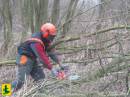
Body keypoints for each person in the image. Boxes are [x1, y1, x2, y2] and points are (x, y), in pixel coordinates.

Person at [11, 23, 63, 92]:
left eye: (53, 36)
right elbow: (42, 58)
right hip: (24, 58)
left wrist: (60, 63)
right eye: (51, 36)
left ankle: (42, 94)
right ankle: (3, 92)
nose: (52, 38)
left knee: (41, 79)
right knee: (20, 81)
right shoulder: (36, 42)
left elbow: (51, 52)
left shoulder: (46, 40)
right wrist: (52, 68)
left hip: (33, 59)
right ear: (45, 33)